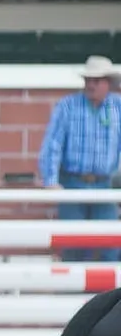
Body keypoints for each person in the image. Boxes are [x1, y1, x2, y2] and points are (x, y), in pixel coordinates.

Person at [39, 58, 121, 262]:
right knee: (74, 244)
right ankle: (73, 292)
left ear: (108, 83)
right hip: (73, 182)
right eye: (88, 80)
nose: (91, 85)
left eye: (97, 80)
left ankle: (108, 294)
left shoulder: (118, 108)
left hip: (105, 184)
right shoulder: (68, 106)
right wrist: (50, 180)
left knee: (110, 243)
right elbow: (52, 144)